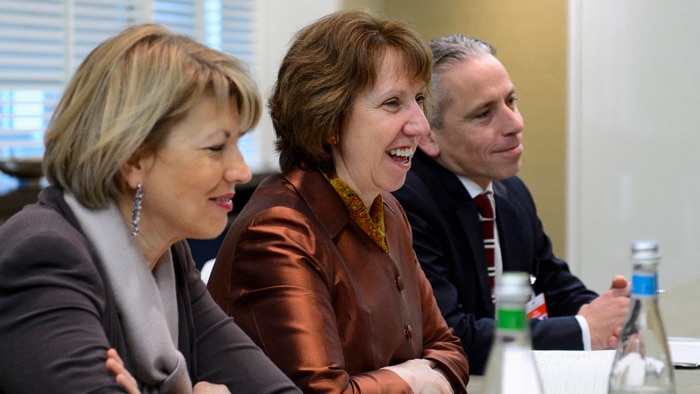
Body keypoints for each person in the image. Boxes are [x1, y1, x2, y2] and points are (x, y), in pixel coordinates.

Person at [0, 24, 300, 393]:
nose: (241, 170)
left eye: (238, 144)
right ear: (134, 159)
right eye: (215, 148)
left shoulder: (167, 257)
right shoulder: (44, 255)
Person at [207, 9, 469, 393]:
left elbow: (449, 349)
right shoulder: (280, 231)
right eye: (393, 103)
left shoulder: (386, 209)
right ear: (329, 119)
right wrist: (410, 379)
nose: (421, 125)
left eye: (419, 99)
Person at [392, 34, 630, 375]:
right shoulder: (405, 203)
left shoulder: (509, 191)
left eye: (511, 101)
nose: (515, 125)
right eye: (484, 114)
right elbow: (451, 337)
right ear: (428, 135)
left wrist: (608, 318)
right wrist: (584, 329)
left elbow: (555, 284)